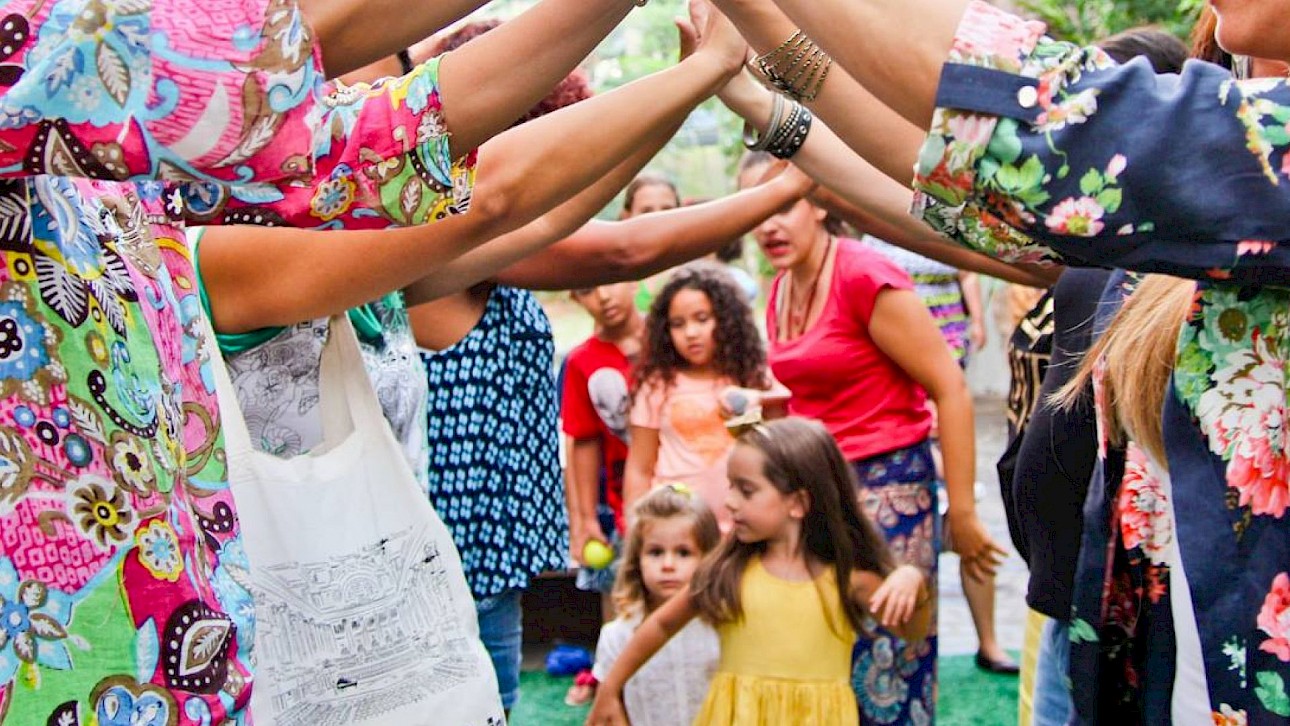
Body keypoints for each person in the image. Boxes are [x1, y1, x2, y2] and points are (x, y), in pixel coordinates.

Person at [0, 0, 664, 719]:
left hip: (183, 652)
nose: (341, 89)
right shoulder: (208, 229)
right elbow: (462, 179)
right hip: (68, 665)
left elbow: (384, 137)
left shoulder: (132, 190)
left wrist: (705, 69)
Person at [732, 150, 1002, 723]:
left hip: (891, 488)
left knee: (888, 657)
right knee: (823, 650)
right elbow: (811, 394)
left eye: (783, 206)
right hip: (815, 492)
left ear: (819, 203)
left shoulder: (862, 274)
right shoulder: (780, 289)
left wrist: (963, 513)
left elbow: (950, 388)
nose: (769, 225)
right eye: (756, 211)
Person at [586, 417, 932, 726]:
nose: (730, 502)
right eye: (731, 486)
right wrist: (611, 687)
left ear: (798, 503)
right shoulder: (727, 571)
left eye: (746, 490)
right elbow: (662, 624)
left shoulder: (848, 579)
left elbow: (911, 630)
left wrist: (912, 580)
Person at [623, 263, 786, 528]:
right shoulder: (657, 385)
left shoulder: (752, 378)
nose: (691, 333)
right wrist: (637, 530)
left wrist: (758, 400)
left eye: (702, 319)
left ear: (726, 320)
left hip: (746, 529)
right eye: (678, 324)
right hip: (678, 531)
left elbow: (784, 434)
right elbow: (640, 469)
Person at [590, 484, 722, 726]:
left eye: (683, 553)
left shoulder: (722, 627)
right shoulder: (619, 635)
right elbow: (611, 705)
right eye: (656, 552)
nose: (668, 564)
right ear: (636, 559)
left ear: (708, 558)